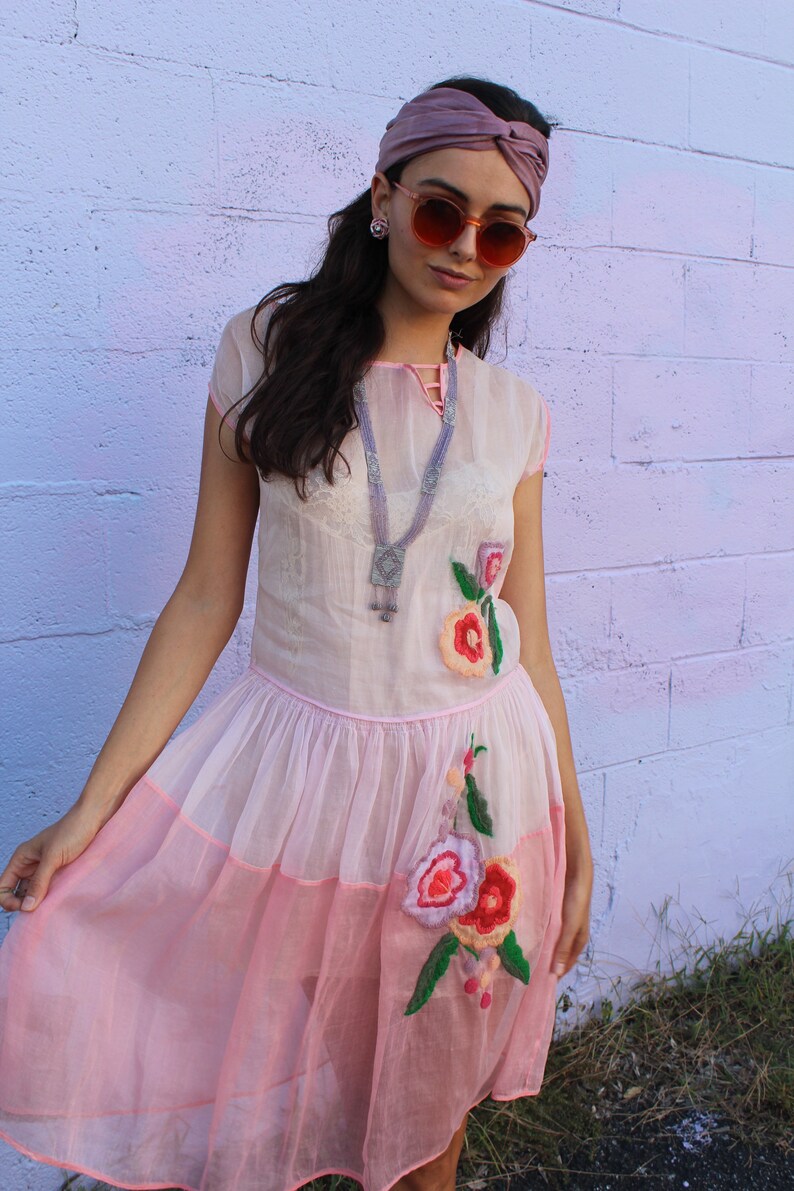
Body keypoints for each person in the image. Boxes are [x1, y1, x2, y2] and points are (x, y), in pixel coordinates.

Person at [0, 76, 594, 1191]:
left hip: (472, 785)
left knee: (427, 1099)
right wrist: (93, 808)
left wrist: (574, 825)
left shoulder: (515, 413)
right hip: (302, 773)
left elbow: (530, 638)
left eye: (500, 231)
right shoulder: (260, 349)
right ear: (381, 195)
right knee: (282, 1080)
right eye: (438, 209)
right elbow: (202, 598)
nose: (464, 246)